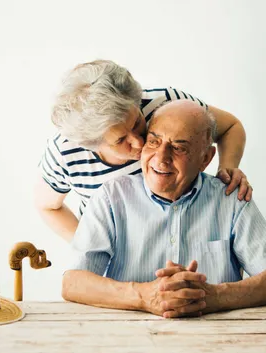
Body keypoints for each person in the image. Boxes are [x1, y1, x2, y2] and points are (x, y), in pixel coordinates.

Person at [62, 100, 266, 318]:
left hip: (219, 342)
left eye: (178, 148)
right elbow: (73, 283)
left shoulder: (230, 198)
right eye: (153, 141)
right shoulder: (111, 197)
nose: (161, 158)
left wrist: (212, 296)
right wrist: (145, 296)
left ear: (206, 158)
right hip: (130, 342)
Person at [35, 60, 252, 242]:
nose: (139, 143)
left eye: (137, 121)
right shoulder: (65, 153)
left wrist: (228, 169)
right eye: (121, 140)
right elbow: (48, 207)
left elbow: (230, 127)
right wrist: (89, 246)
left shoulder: (167, 104)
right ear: (91, 143)